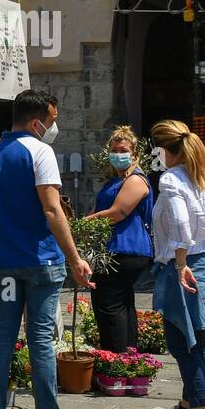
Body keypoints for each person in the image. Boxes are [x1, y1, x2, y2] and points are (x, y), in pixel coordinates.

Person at [0, 89, 93, 409]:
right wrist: (75, 259)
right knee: (40, 338)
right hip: (42, 263)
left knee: (4, 337)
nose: (55, 126)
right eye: (53, 120)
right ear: (37, 121)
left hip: (6, 265)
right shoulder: (41, 152)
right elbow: (53, 211)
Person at [149, 120, 205, 409]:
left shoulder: (171, 178)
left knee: (184, 342)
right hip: (204, 261)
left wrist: (182, 262)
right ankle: (189, 405)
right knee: (194, 338)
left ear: (164, 150)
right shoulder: (202, 173)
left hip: (182, 265)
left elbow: (182, 225)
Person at [85, 125, 154, 353]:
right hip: (115, 251)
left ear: (134, 153)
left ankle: (115, 357)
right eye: (113, 150)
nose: (117, 154)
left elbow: (118, 213)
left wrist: (85, 223)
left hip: (124, 249)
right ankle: (128, 356)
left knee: (109, 305)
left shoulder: (135, 180)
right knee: (122, 304)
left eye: (122, 149)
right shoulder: (115, 181)